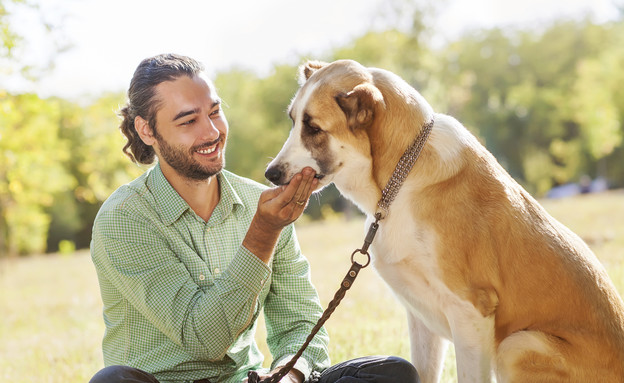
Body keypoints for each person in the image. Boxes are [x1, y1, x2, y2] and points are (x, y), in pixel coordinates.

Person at [89, 53, 419, 383]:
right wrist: (262, 232)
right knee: (112, 381)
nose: (211, 132)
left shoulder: (257, 202)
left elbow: (299, 323)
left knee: (393, 374)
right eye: (188, 121)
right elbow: (204, 340)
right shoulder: (124, 219)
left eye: (215, 113)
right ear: (147, 131)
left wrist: (289, 375)